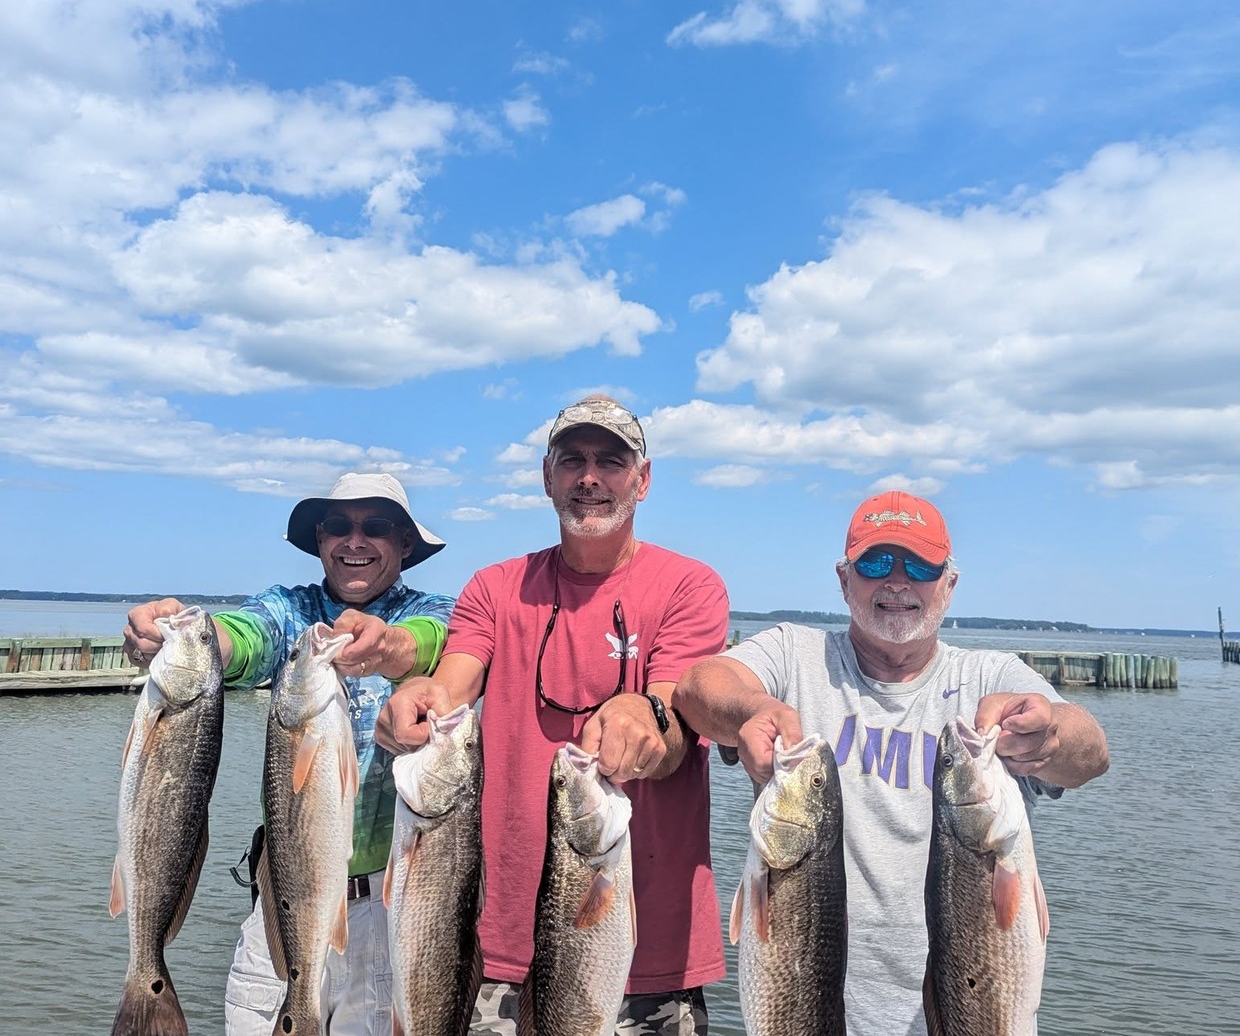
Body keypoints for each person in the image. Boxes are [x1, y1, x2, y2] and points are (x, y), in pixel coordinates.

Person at [672, 489, 1109, 1036]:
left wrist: (1050, 738)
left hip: (975, 1007)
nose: (897, 582)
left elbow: (1091, 752)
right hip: (807, 1008)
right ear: (843, 578)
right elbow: (696, 687)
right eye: (876, 563)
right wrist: (753, 708)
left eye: (921, 566)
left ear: (949, 583)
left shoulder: (991, 676)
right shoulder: (794, 655)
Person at [376, 395, 729, 1035]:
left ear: (642, 480)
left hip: (647, 952)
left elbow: (678, 720)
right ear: (547, 476)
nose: (590, 477)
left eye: (610, 461)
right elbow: (455, 681)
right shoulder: (495, 586)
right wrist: (419, 700)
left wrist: (645, 715)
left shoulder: (689, 587)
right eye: (572, 461)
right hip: (495, 952)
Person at [122, 471, 456, 1036]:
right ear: (319, 540)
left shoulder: (445, 611)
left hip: (392, 908)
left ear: (404, 543)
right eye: (337, 527)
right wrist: (186, 641)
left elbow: (432, 641)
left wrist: (389, 646)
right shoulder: (290, 610)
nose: (355, 541)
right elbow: (246, 635)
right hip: (280, 896)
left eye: (375, 526)